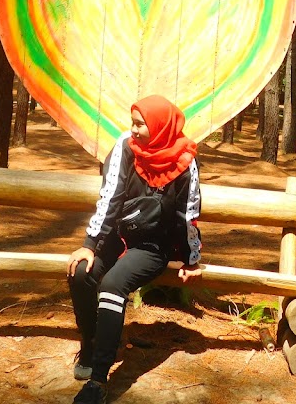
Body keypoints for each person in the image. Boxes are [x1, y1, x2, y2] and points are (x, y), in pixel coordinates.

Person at [67, 95, 203, 404]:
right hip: (116, 236)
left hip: (153, 245)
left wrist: (191, 258)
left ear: (159, 126)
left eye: (141, 124)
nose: (135, 129)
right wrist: (90, 245)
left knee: (112, 286)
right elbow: (110, 197)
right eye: (133, 122)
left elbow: (188, 213)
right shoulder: (126, 146)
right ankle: (90, 347)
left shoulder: (185, 158)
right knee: (81, 273)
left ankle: (98, 381)